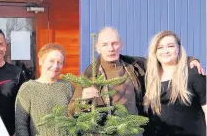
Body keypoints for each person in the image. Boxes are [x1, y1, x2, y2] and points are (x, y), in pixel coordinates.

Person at [68, 26, 203, 117]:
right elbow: (71, 111)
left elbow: (164, 59)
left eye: (114, 43)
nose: (111, 48)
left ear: (121, 45)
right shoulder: (91, 74)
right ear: (97, 48)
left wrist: (189, 60)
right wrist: (83, 100)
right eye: (105, 44)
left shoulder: (134, 65)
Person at [15, 43, 75, 136]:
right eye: (51, 61)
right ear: (41, 61)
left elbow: (75, 119)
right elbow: (20, 123)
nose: (55, 66)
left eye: (60, 62)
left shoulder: (68, 87)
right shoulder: (28, 88)